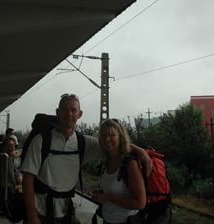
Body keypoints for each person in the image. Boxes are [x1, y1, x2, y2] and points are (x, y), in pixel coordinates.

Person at [20, 93, 151, 224]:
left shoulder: (83, 142)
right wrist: (32, 215)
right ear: (57, 113)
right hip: (40, 211)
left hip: (66, 212)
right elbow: (27, 179)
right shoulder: (41, 141)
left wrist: (140, 151)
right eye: (65, 109)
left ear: (80, 114)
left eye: (73, 110)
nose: (69, 114)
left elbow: (113, 144)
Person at [90, 119, 146, 224]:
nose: (107, 139)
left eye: (112, 135)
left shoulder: (130, 164)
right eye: (103, 135)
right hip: (107, 220)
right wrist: (101, 194)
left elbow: (140, 203)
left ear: (120, 137)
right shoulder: (106, 162)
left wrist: (108, 198)